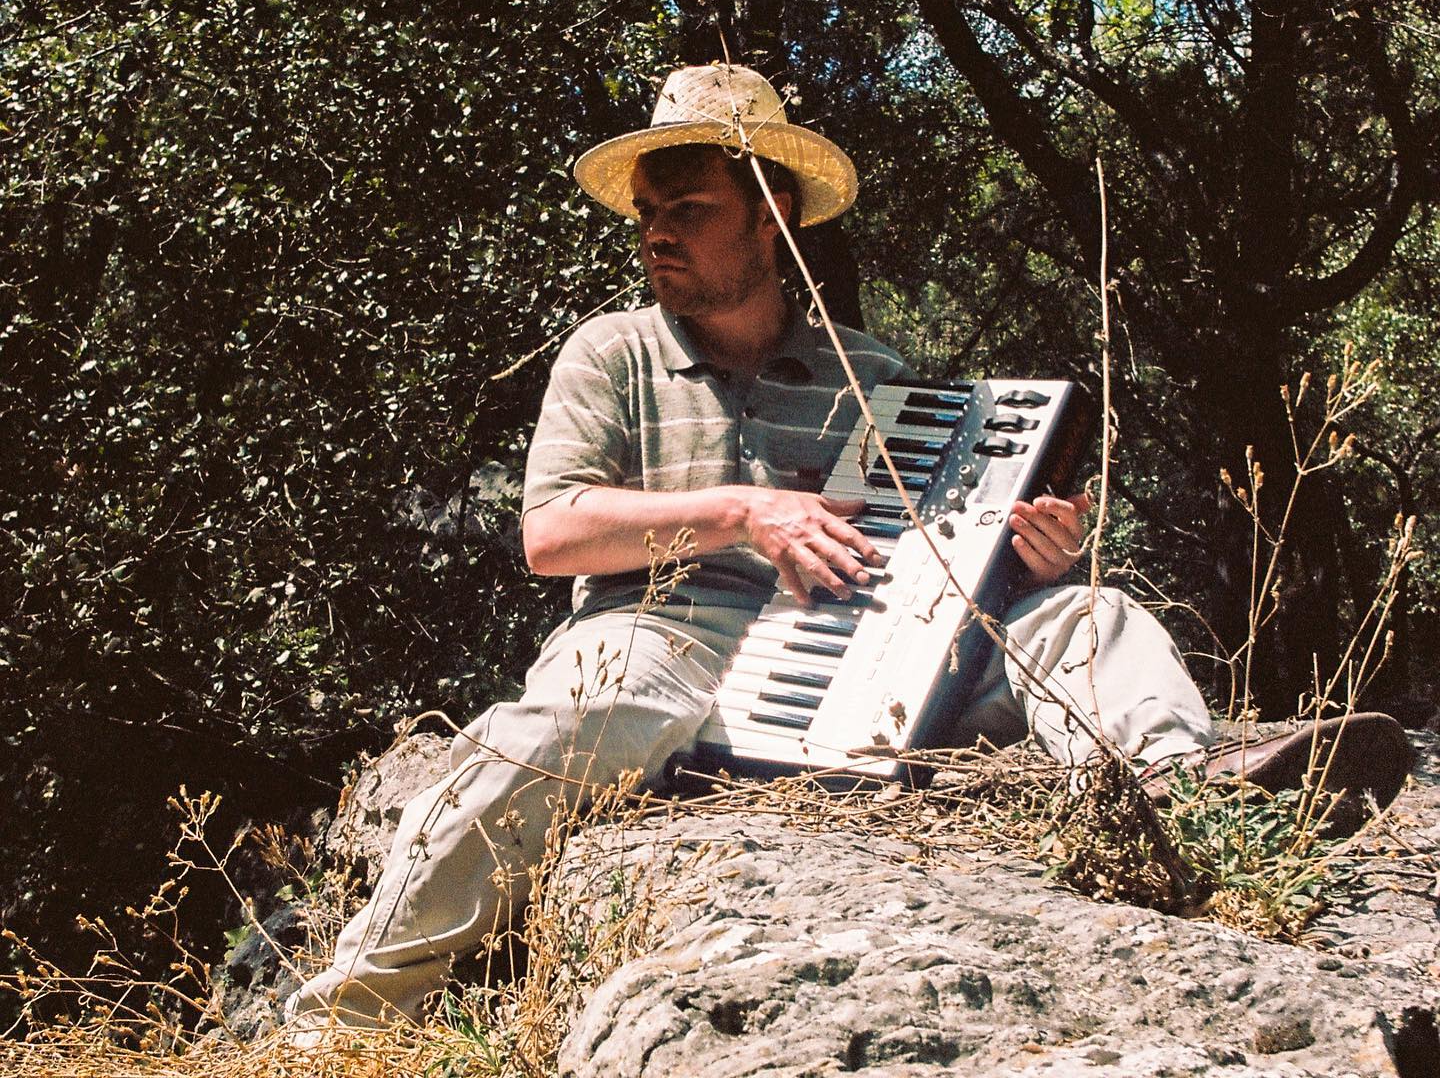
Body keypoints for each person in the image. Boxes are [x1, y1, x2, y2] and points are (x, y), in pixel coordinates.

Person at [284, 63, 1411, 1039]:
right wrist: (743, 513)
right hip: (658, 639)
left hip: (858, 653)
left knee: (1090, 618)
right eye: (648, 213)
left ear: (773, 213)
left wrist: (1028, 558)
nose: (657, 233)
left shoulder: (874, 375)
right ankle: (349, 1017)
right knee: (585, 710)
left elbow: (934, 561)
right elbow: (551, 533)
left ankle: (1184, 804)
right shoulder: (610, 351)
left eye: (688, 209)